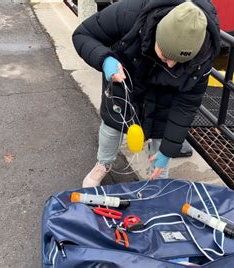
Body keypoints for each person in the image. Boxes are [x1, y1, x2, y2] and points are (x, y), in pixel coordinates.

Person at [73, 0, 221, 187]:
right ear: (155, 34)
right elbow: (82, 35)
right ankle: (103, 164)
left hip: (165, 97)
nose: (170, 65)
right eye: (166, 56)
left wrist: (168, 150)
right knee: (112, 127)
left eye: (179, 61)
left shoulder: (203, 57)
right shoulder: (129, 13)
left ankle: (158, 178)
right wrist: (104, 59)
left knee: (161, 138)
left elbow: (186, 105)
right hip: (127, 81)